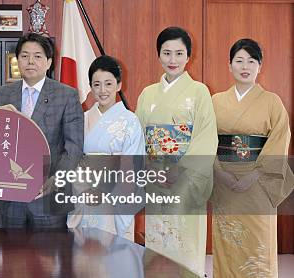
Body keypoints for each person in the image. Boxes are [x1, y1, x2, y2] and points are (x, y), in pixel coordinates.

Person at [135, 26, 217, 276]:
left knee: (185, 242)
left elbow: (206, 137)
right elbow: (138, 137)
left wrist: (179, 170)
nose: (173, 60)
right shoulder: (148, 94)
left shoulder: (199, 91)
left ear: (189, 56)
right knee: (159, 242)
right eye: (167, 53)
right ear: (158, 55)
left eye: (179, 53)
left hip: (185, 180)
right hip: (155, 178)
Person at [211, 38, 293, 277]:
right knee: (228, 240)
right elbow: (205, 139)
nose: (245, 66)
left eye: (251, 61)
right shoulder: (216, 101)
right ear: (229, 65)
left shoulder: (271, 102)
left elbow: (280, 139)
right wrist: (218, 172)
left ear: (260, 66)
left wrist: (256, 174)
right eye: (239, 60)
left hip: (259, 182)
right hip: (224, 178)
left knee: (258, 238)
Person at [0, 32, 84, 229]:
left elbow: (73, 149)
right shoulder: (3, 94)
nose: (30, 61)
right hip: (11, 197)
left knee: (48, 257)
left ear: (49, 62)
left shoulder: (66, 95)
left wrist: (53, 182)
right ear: (17, 60)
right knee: (12, 257)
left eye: (38, 56)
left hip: (49, 197)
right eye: (24, 56)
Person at [66, 55, 144, 239]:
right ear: (90, 86)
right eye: (97, 84)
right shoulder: (82, 119)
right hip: (84, 193)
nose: (103, 90)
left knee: (113, 255)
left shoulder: (130, 121)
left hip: (115, 195)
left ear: (119, 85)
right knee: (86, 256)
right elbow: (72, 159)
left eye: (108, 84)